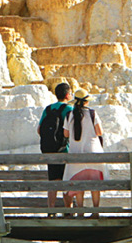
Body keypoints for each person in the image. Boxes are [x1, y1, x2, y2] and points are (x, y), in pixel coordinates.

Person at [63, 89, 106, 213]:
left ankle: (80, 212)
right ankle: (95, 211)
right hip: (93, 151)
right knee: (94, 184)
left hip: (76, 152)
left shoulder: (69, 115)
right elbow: (99, 132)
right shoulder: (92, 113)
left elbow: (66, 134)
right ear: (86, 102)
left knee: (78, 183)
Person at [37, 82, 74, 210]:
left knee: (53, 182)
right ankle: (68, 211)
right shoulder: (69, 109)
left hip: (50, 151)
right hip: (64, 150)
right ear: (68, 95)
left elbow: (39, 129)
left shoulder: (48, 109)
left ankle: (51, 210)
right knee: (66, 181)